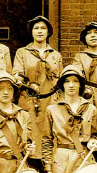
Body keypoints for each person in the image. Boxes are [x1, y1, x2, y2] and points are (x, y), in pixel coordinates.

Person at [13, 15, 62, 163]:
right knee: (28, 134)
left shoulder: (55, 55)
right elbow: (17, 74)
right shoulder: (22, 52)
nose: (39, 31)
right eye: (36, 28)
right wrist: (23, 82)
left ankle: (47, 167)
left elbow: (59, 79)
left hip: (51, 100)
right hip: (29, 101)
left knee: (49, 133)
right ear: (31, 32)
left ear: (48, 32)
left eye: (43, 28)